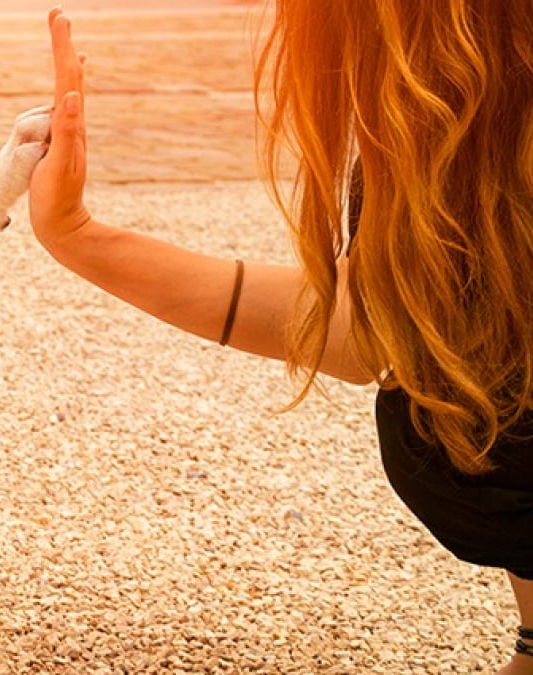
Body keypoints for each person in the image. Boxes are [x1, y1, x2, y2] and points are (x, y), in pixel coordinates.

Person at [28, 4, 533, 672]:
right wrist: (78, 236)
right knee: (448, 392)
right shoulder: (454, 120)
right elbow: (380, 330)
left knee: (460, 416)